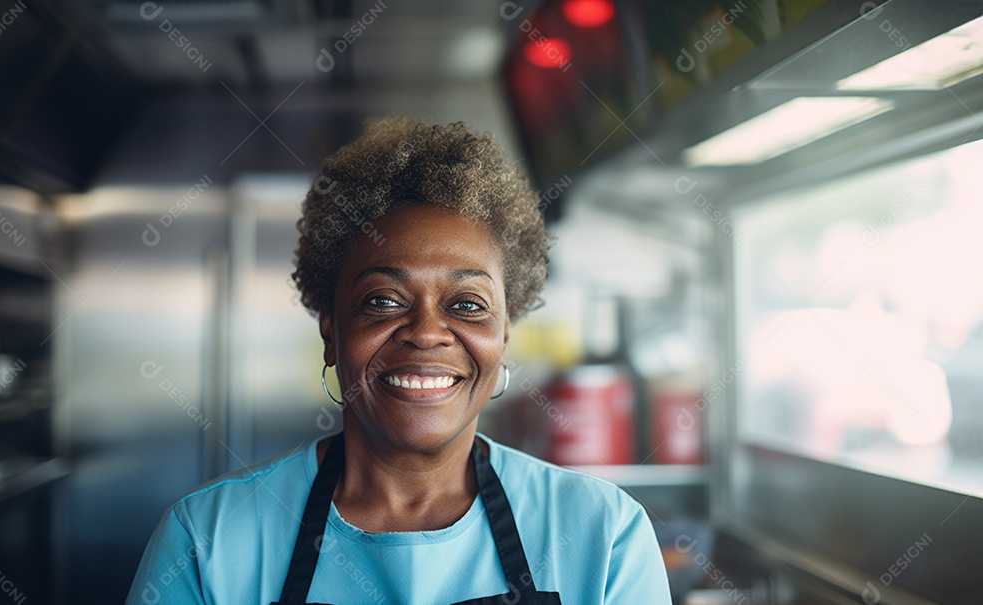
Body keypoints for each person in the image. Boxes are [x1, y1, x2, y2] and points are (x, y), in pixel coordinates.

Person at [125, 116, 671, 604]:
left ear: (503, 335)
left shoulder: (603, 535)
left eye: (466, 305)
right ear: (332, 331)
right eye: (383, 301)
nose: (427, 333)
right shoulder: (207, 540)